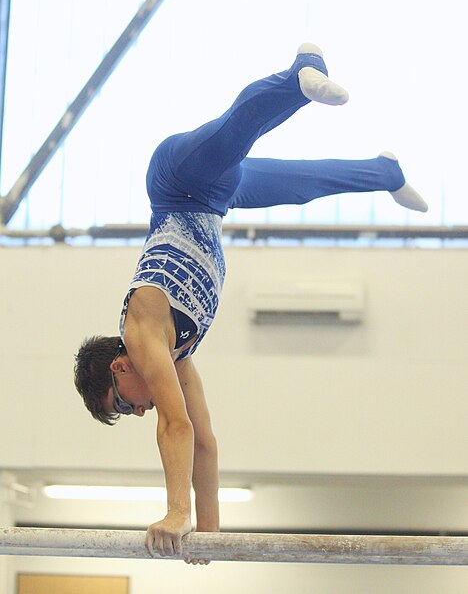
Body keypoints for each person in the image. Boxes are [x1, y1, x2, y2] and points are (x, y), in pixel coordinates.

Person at [74, 43, 428, 563]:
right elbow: (204, 440)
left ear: (119, 366)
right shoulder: (178, 354)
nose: (138, 408)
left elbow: (175, 427)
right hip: (217, 200)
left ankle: (298, 78)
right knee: (305, 186)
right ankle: (385, 172)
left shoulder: (143, 332)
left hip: (177, 181)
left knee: (232, 134)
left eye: (123, 401)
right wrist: (210, 534)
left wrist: (177, 513)